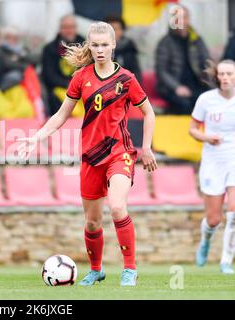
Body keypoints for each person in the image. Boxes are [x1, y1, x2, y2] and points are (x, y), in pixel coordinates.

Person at [18, 22, 157, 287]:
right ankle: (96, 270)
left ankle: (130, 269)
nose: (101, 50)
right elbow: (60, 115)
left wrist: (146, 147)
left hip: (120, 153)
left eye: (105, 45)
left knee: (117, 207)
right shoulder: (81, 77)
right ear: (89, 46)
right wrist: (36, 138)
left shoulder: (126, 79)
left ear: (113, 45)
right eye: (95, 45)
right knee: (92, 223)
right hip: (91, 157)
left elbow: (149, 112)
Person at [189, 60, 235, 274]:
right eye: (222, 74)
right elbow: (193, 129)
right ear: (217, 77)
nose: (225, 77)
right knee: (214, 219)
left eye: (229, 74)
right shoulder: (206, 100)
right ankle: (206, 241)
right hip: (213, 160)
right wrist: (206, 137)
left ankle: (226, 261)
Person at [155, 5, 210, 114]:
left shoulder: (197, 40)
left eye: (183, 17)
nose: (181, 21)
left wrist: (210, 79)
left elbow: (206, 62)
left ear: (188, 19)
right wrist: (177, 87)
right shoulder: (165, 42)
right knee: (184, 105)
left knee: (207, 101)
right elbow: (161, 71)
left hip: (196, 84)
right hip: (171, 87)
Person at [41, 15, 85, 116]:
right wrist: (69, 84)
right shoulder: (50, 48)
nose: (69, 30)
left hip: (83, 88)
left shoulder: (86, 46)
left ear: (76, 28)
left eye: (71, 27)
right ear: (60, 29)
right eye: (65, 27)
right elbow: (48, 75)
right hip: (60, 89)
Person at [106, 16, 142, 83]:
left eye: (118, 28)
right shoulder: (99, 49)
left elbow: (136, 71)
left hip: (128, 86)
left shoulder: (129, 46)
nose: (115, 32)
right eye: (112, 29)